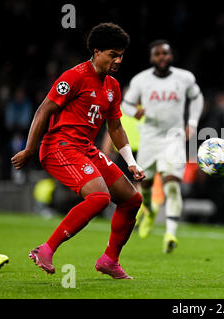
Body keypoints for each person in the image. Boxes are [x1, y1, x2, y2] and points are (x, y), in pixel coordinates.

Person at [11, 23, 145, 280]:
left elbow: (115, 126)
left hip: (86, 149)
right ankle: (45, 249)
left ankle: (109, 260)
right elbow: (44, 110)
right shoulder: (74, 76)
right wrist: (30, 149)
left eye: (121, 55)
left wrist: (131, 162)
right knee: (99, 198)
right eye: (113, 54)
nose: (118, 60)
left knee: (131, 200)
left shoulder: (113, 86)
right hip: (59, 147)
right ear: (96, 51)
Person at [121, 40, 203, 253]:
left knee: (172, 185)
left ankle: (170, 234)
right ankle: (148, 210)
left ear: (171, 55)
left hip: (173, 138)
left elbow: (197, 98)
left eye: (165, 53)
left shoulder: (184, 78)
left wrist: (192, 122)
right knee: (145, 185)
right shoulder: (141, 80)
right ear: (151, 58)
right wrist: (133, 112)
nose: (162, 57)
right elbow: (126, 104)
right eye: (157, 54)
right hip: (149, 138)